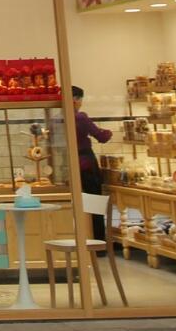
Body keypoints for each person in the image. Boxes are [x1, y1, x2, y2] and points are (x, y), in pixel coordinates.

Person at [72, 85, 113, 242]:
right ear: (76, 100)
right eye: (80, 100)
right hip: (86, 165)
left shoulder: (57, 118)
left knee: (78, 204)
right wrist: (108, 132)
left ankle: (83, 237)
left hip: (70, 167)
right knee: (94, 203)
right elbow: (101, 137)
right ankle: (98, 241)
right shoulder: (80, 117)